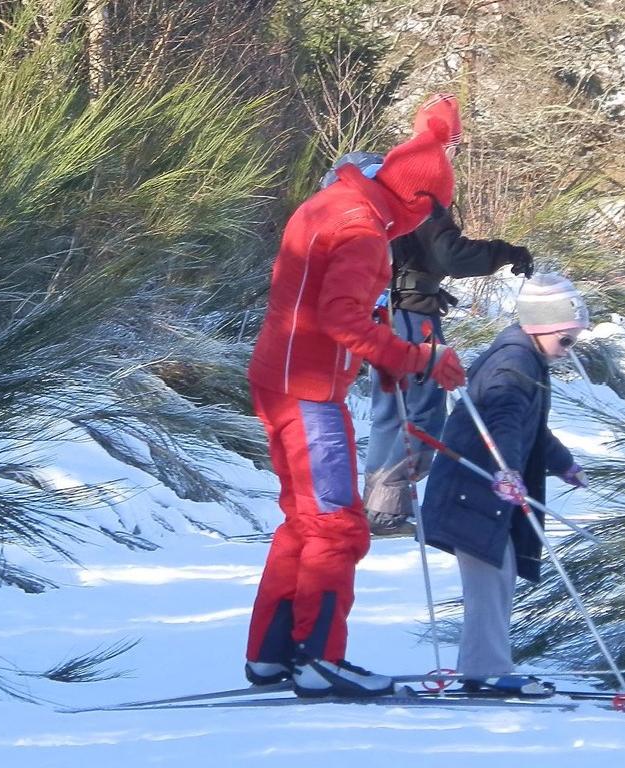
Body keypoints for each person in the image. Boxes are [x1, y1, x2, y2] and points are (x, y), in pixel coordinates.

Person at [244, 95, 468, 698]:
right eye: (434, 213)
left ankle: (272, 654)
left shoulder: (335, 202)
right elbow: (341, 318)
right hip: (308, 394)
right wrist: (416, 357)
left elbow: (337, 314)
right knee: (339, 526)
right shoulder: (362, 229)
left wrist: (384, 366)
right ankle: (319, 661)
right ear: (416, 201)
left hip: (286, 380)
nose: (430, 226)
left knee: (305, 520)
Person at [332, 144, 534, 536]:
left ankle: (374, 507)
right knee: (425, 413)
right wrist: (507, 253)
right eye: (453, 146)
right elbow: (452, 256)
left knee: (390, 412)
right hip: (412, 315)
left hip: (378, 314)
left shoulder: (378, 189)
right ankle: (387, 508)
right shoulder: (419, 193)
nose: (454, 155)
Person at [419, 272, 590, 696]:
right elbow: (504, 421)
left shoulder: (526, 358)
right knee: (490, 580)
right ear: (539, 326)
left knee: (500, 574)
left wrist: (563, 463)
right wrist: (506, 470)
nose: (567, 352)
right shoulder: (513, 363)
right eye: (565, 341)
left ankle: (484, 666)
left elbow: (533, 429)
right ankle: (485, 671)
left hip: (482, 494)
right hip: (471, 490)